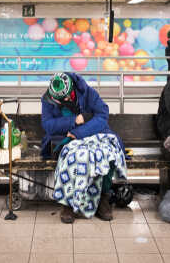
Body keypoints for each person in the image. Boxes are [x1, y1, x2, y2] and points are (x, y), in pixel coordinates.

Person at [41, 72, 127, 223]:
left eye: (67, 97)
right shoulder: (48, 98)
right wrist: (74, 120)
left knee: (106, 155)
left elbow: (102, 115)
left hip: (93, 134)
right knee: (74, 157)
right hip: (64, 139)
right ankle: (67, 203)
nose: (65, 100)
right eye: (61, 100)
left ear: (72, 88)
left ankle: (103, 198)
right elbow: (48, 125)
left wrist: (79, 132)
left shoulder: (88, 92)